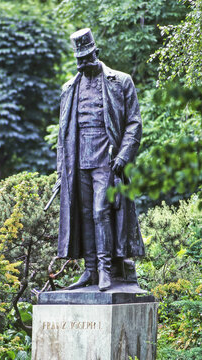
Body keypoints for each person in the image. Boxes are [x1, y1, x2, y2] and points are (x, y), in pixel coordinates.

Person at [56, 28, 144, 291]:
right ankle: (90, 270)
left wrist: (123, 155)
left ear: (97, 52)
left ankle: (106, 270)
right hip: (77, 160)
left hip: (107, 158)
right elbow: (62, 136)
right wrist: (61, 173)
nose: (83, 64)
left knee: (100, 211)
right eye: (79, 60)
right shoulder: (69, 88)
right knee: (83, 215)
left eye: (87, 57)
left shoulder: (121, 81)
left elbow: (134, 124)